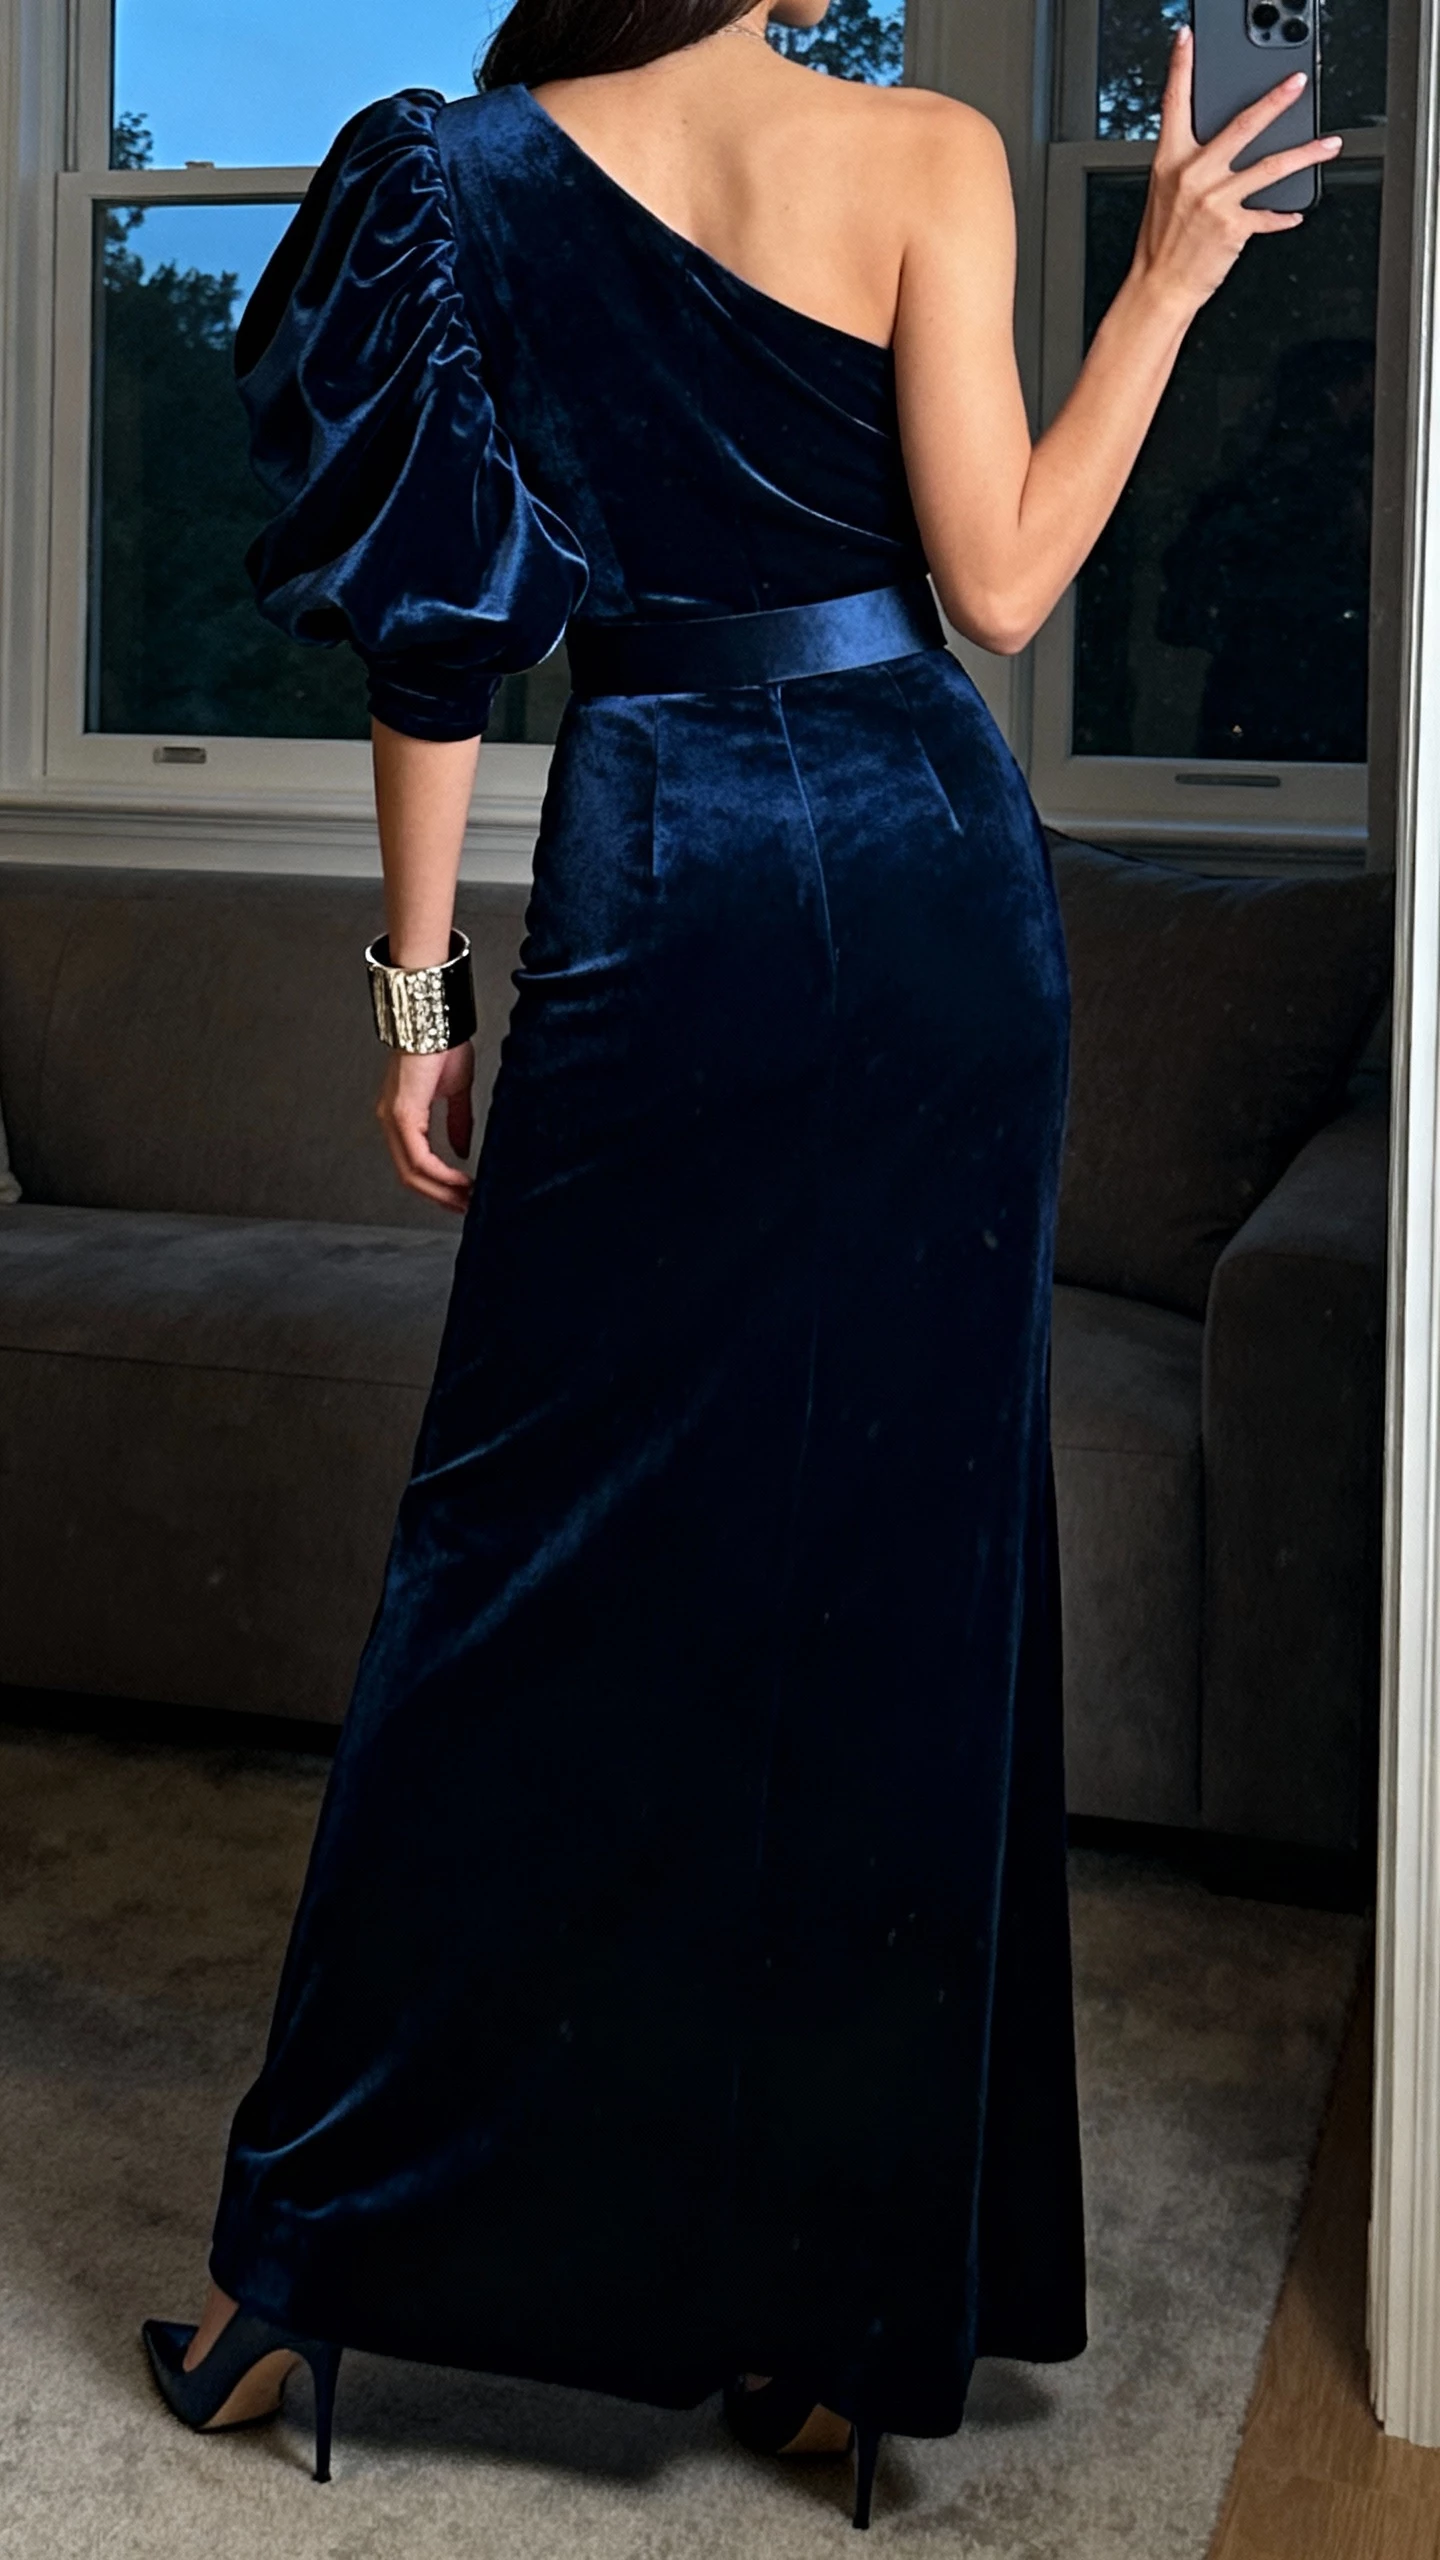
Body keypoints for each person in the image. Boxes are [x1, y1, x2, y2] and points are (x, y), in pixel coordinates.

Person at [139, 3, 1341, 2530]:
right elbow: (997, 584)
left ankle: (309, 2268)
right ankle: (822, 2324)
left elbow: (437, 639)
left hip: (656, 870)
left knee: (519, 1577)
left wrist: (415, 995)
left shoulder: (445, 174)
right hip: (924, 889)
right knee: (881, 1598)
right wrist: (1164, 284)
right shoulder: (922, 152)